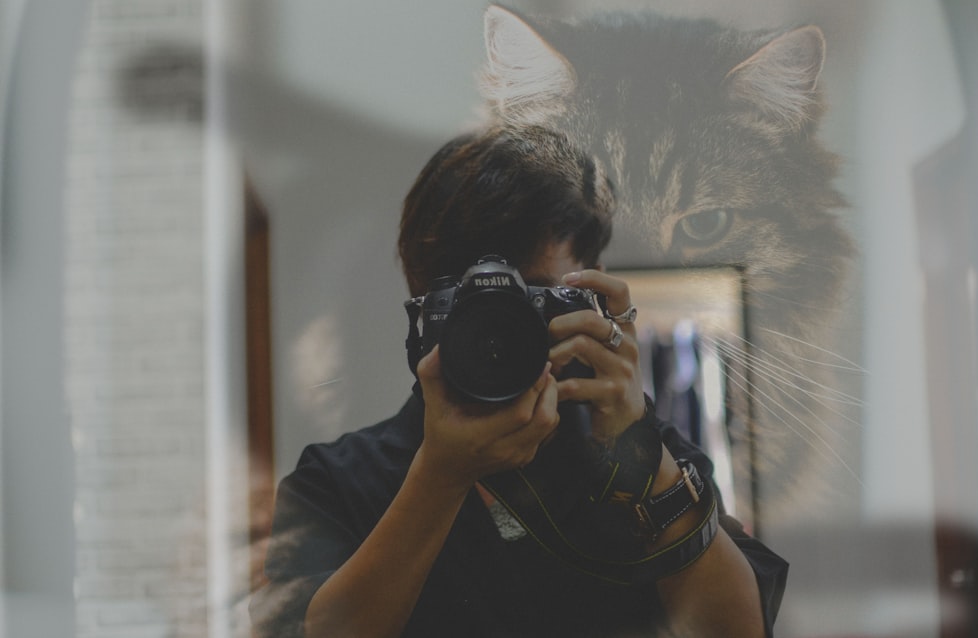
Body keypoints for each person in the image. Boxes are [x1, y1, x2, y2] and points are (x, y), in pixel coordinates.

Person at [250, 125, 788, 638]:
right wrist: (440, 475)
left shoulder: (650, 464)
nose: (501, 328)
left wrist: (644, 462)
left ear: (590, 301)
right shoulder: (337, 481)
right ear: (425, 309)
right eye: (475, 302)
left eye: (533, 298)